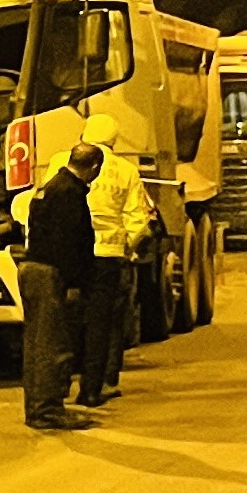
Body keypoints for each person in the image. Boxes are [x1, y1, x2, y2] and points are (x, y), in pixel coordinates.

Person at [20, 133, 99, 429]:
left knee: (38, 344)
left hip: (34, 268)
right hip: (50, 274)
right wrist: (75, 282)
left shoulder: (50, 186)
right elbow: (68, 243)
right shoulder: (70, 192)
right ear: (94, 168)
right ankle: (47, 411)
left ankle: (39, 407)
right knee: (52, 345)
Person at [81, 113, 151, 403]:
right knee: (108, 323)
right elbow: (138, 219)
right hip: (110, 255)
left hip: (75, 254)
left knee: (71, 321)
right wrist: (128, 248)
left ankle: (62, 381)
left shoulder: (63, 162)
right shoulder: (126, 170)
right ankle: (104, 382)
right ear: (114, 139)